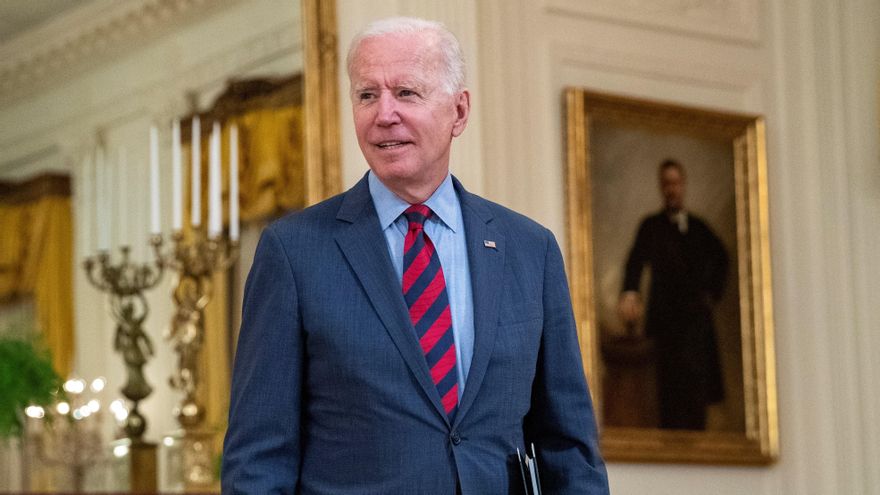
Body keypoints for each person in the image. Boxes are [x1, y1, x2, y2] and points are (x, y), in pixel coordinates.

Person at [222, 17, 609, 494]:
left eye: (406, 93)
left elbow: (569, 449)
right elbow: (258, 460)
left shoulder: (530, 249)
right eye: (367, 95)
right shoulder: (294, 251)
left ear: (459, 112)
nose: (384, 114)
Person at [617, 159, 729, 430]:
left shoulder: (700, 228)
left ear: (683, 185)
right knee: (668, 396)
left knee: (696, 396)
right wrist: (630, 292)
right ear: (661, 187)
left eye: (676, 183)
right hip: (666, 326)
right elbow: (635, 261)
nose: (672, 189)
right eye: (667, 183)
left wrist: (711, 295)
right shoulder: (651, 226)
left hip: (696, 328)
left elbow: (723, 259)